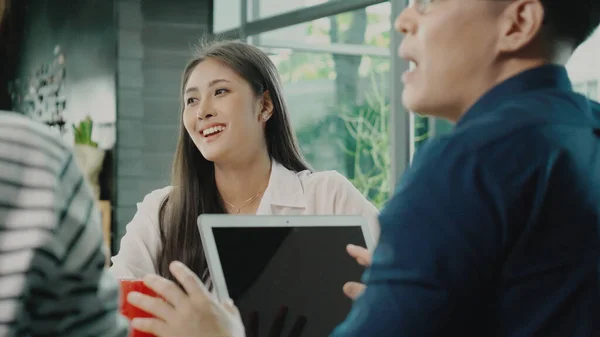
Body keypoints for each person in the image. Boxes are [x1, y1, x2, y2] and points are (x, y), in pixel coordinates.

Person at [127, 0, 600, 336]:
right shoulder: (581, 133)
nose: (403, 20)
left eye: (429, 2)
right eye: (191, 99)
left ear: (518, 22)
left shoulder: (466, 165)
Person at [109, 40, 380, 287]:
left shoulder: (328, 196)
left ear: (265, 106)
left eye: (220, 91)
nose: (202, 111)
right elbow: (114, 303)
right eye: (191, 100)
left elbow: (401, 285)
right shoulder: (162, 212)